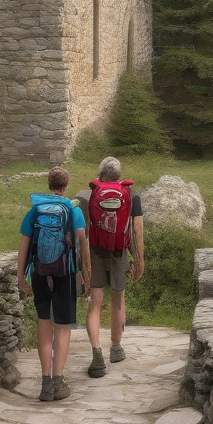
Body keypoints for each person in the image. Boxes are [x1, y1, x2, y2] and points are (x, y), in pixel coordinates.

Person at [17, 167, 89, 402]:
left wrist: (21, 277)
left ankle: (45, 384)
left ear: (49, 184)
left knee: (44, 324)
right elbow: (82, 243)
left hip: (39, 272)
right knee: (63, 326)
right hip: (65, 273)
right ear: (66, 186)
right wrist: (86, 274)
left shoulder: (35, 210)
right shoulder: (72, 210)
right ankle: (59, 380)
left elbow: (24, 245)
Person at [81, 156, 145, 378]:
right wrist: (139, 260)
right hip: (119, 253)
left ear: (99, 175)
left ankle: (96, 353)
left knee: (95, 303)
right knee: (118, 301)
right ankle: (116, 348)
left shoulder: (88, 194)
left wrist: (82, 262)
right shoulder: (131, 196)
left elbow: (81, 230)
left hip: (95, 252)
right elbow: (137, 230)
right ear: (119, 176)